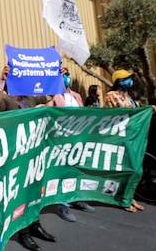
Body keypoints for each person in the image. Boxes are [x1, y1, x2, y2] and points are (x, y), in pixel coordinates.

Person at [0, 66, 57, 251]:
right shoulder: (6, 98)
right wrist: (1, 81)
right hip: (18, 153)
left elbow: (50, 96)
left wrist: (53, 74)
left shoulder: (31, 96)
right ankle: (23, 232)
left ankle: (36, 225)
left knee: (35, 189)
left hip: (35, 150)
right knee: (21, 192)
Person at [45, 67, 96, 222]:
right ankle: (63, 204)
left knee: (75, 170)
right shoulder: (53, 95)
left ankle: (77, 198)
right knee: (61, 173)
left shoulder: (76, 96)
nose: (66, 77)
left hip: (77, 139)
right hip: (60, 140)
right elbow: (47, 111)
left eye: (67, 74)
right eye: (62, 75)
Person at [104, 69, 145, 212]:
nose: (130, 81)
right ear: (118, 81)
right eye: (126, 78)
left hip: (136, 137)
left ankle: (129, 197)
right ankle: (123, 199)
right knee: (128, 168)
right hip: (122, 136)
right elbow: (112, 115)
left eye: (130, 78)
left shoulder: (132, 97)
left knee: (136, 170)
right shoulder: (111, 95)